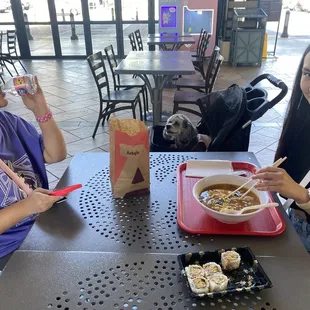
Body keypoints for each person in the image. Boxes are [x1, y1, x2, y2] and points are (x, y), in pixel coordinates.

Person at [0, 76, 67, 268]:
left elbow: (55, 155)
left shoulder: (8, 123)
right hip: (9, 250)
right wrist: (28, 207)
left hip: (41, 227)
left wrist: (40, 108)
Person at [253, 44, 310, 252]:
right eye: (308, 74)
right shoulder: (303, 117)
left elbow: (300, 193)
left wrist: (303, 196)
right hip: (292, 221)